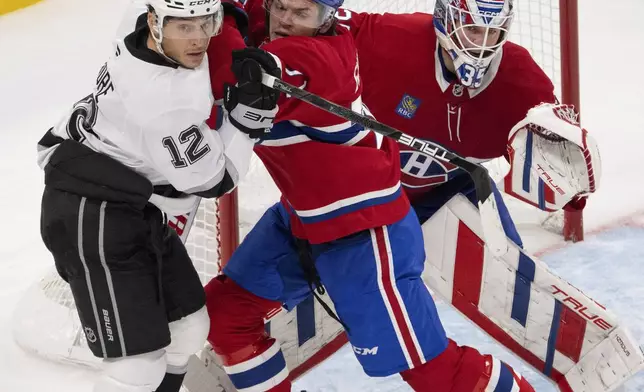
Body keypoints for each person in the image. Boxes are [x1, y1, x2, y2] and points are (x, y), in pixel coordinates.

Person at [204, 0, 536, 390]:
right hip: (303, 218)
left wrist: (219, 12)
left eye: (302, 13)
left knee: (434, 372)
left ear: (327, 19)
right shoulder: (285, 26)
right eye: (281, 7)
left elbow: (233, 75)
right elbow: (257, 14)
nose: (286, 20)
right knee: (227, 315)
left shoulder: (316, 57)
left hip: (365, 233)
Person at [36, 0, 275, 391]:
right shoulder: (165, 105)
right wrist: (246, 120)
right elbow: (214, 181)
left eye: (206, 24)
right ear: (156, 23)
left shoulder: (135, 22)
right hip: (90, 213)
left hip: (128, 200)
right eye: (184, 28)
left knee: (189, 329)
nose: (198, 39)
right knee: (137, 368)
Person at [333, 0, 599, 237]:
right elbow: (321, 20)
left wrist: (568, 186)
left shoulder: (522, 83)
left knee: (506, 272)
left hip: (456, 190)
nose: (482, 45)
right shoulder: (393, 39)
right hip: (372, 193)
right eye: (472, 29)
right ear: (446, 20)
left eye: (492, 31)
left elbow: (550, 169)